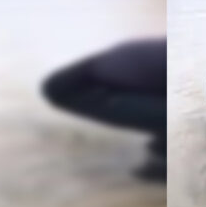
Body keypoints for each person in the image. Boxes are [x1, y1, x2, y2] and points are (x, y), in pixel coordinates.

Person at [41, 37, 167, 182]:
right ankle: (162, 162)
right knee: (179, 116)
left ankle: (164, 151)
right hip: (77, 88)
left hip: (102, 74)